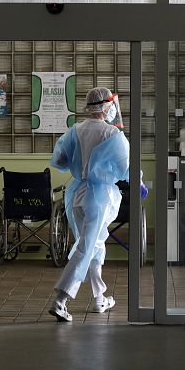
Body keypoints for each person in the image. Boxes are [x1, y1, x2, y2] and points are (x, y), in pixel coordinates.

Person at [48, 87, 130, 322]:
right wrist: (139, 182)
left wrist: (83, 161)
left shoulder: (75, 130)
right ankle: (61, 299)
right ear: (106, 106)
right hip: (99, 197)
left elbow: (60, 159)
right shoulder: (112, 134)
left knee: (95, 244)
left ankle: (98, 298)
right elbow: (126, 168)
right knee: (86, 246)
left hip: (77, 194)